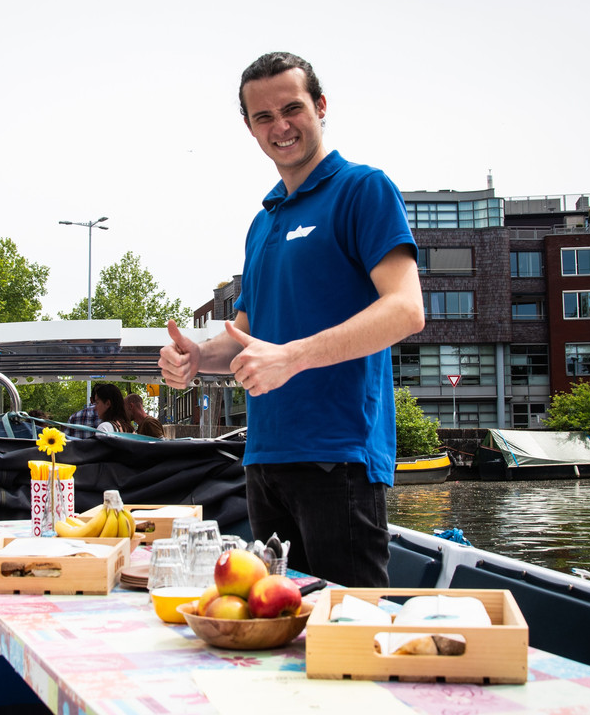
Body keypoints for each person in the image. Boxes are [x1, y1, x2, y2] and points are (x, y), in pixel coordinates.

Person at [158, 52, 424, 588]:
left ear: (320, 106)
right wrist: (196, 356)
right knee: (274, 631)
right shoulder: (263, 221)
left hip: (338, 457)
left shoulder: (363, 190)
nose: (280, 126)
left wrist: (293, 356)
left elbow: (406, 309)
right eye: (263, 117)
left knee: (345, 634)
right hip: (264, 459)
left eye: (292, 108)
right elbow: (245, 336)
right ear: (250, 128)